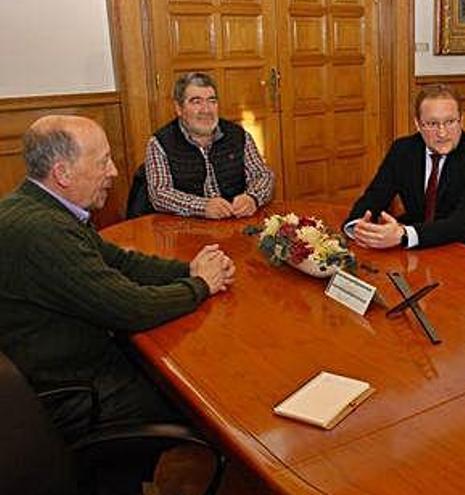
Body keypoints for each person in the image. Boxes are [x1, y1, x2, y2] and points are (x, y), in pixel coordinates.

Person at [0, 115, 235, 489]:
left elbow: (119, 261)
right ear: (63, 173)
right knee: (201, 393)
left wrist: (188, 269)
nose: (113, 171)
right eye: (102, 161)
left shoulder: (37, 207)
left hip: (61, 367)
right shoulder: (42, 231)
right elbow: (129, 308)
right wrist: (201, 286)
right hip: (74, 391)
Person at [343, 83, 465, 250]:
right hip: (419, 249)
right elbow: (374, 197)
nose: (442, 133)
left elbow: (462, 224)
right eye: (432, 124)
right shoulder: (403, 150)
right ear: (418, 124)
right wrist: (359, 227)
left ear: (461, 120)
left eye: (450, 122)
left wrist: (403, 235)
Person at [144, 72, 274, 219]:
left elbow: (263, 175)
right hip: (186, 228)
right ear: (179, 108)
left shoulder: (238, 135)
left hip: (235, 221)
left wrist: (252, 198)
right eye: (196, 101)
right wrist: (203, 207)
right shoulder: (160, 143)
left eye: (212, 101)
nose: (206, 110)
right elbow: (159, 194)